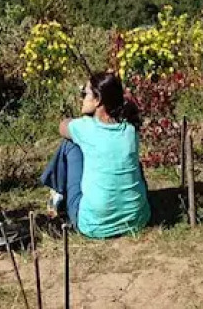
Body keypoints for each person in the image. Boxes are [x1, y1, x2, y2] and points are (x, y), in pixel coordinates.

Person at [39, 70, 151, 239]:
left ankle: (58, 194)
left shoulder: (85, 128)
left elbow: (62, 127)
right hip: (137, 220)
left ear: (98, 100)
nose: (82, 98)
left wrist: (82, 119)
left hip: (93, 225)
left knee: (70, 144)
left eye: (85, 93)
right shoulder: (130, 130)